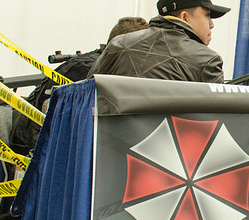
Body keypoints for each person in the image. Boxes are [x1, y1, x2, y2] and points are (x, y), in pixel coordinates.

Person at [8, 16, 149, 157]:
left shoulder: (99, 63)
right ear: (125, 45)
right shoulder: (89, 69)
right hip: (33, 147)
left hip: (48, 143)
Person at [90, 0, 231, 82]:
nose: (211, 24)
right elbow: (216, 113)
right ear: (184, 17)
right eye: (207, 15)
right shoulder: (207, 60)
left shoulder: (119, 44)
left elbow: (87, 94)